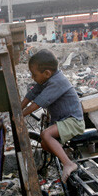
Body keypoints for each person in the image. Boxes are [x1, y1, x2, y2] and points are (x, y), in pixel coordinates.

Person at [21, 50, 85, 182]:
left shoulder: (57, 82)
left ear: (46, 73)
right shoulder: (46, 81)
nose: (32, 77)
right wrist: (17, 109)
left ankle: (68, 163)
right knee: (45, 144)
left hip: (73, 122)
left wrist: (19, 115)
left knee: (46, 134)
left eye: (34, 74)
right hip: (62, 121)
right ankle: (65, 155)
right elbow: (32, 95)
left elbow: (38, 103)